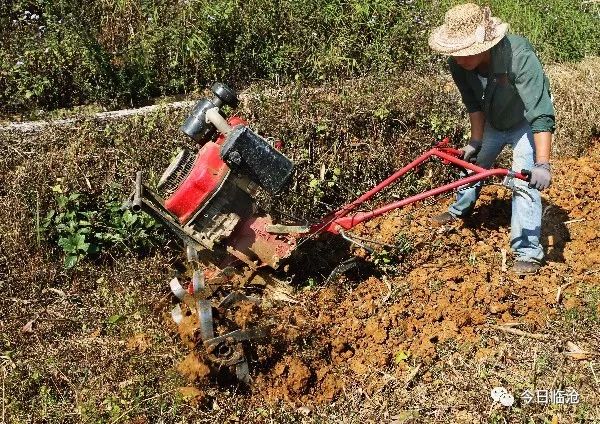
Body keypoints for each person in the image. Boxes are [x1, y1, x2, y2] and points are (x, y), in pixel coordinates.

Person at [428, 3, 555, 275]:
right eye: (456, 53)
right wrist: (475, 141)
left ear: (486, 43)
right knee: (474, 167)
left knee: (524, 181)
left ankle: (527, 252)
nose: (460, 59)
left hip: (524, 123)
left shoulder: (518, 55)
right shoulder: (459, 63)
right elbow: (473, 102)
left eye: (466, 53)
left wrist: (542, 164)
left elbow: (540, 111)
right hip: (494, 123)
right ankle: (459, 210)